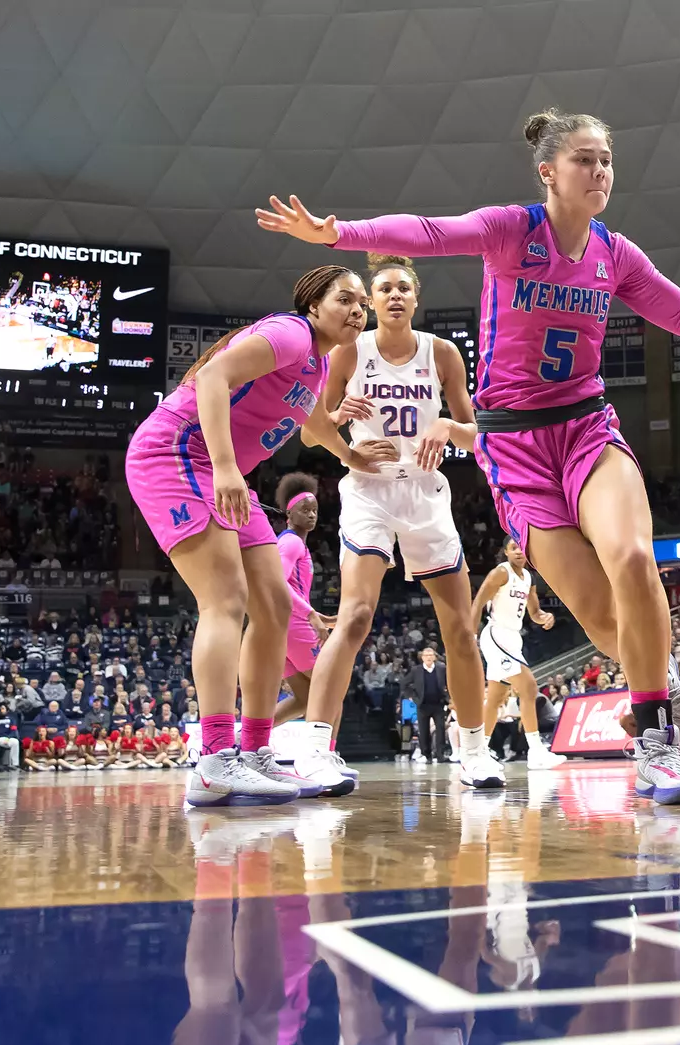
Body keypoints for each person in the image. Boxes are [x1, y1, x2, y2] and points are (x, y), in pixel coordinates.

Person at [257, 107, 680, 806]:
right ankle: (660, 685)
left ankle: (656, 739)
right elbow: (427, 233)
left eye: (606, 159)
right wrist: (339, 233)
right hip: (514, 448)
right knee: (605, 624)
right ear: (549, 172)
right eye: (584, 160)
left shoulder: (616, 253)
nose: (600, 171)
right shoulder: (513, 231)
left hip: (586, 428)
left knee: (633, 557)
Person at [124, 266, 388, 808]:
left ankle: (256, 752)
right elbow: (214, 378)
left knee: (273, 607)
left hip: (217, 469)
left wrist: (351, 454)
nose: (358, 311)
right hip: (175, 453)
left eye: (363, 304)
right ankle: (215, 760)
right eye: (345, 299)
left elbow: (313, 427)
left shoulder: (317, 363)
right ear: (313, 305)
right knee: (226, 600)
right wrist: (225, 467)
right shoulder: (289, 333)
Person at [266, 255, 494, 792]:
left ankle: (475, 751)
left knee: (460, 628)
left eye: (403, 289)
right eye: (384, 289)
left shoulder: (442, 354)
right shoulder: (348, 350)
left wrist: (446, 424)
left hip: (425, 494)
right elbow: (309, 430)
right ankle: (316, 750)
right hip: (369, 490)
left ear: (416, 299)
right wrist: (344, 435)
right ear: (373, 300)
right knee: (357, 615)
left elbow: (476, 435)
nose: (394, 296)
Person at [269, 475, 341, 789]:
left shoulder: (293, 542)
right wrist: (311, 614)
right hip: (294, 625)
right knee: (332, 688)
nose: (312, 515)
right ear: (289, 513)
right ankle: (322, 756)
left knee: (303, 699)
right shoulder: (290, 542)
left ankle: (243, 739)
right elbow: (279, 584)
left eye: (315, 510)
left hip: (283, 627)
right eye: (305, 510)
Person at [470, 538, 565, 770]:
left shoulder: (529, 578)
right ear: (506, 552)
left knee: (495, 698)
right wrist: (471, 637)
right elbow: (478, 602)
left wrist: (545, 617)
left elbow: (534, 612)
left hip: (513, 638)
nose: (519, 551)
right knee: (529, 687)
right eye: (514, 548)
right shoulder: (501, 573)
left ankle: (478, 750)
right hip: (496, 635)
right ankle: (536, 752)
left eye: (522, 546)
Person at [401, 646, 449, 764]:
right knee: (424, 731)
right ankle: (426, 755)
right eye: (426, 655)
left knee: (440, 729)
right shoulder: (416, 670)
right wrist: (411, 697)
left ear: (434, 657)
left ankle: (440, 754)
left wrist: (448, 697)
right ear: (422, 657)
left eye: (431, 655)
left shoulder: (442, 668)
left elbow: (450, 682)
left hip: (438, 704)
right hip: (422, 705)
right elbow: (404, 683)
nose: (428, 657)